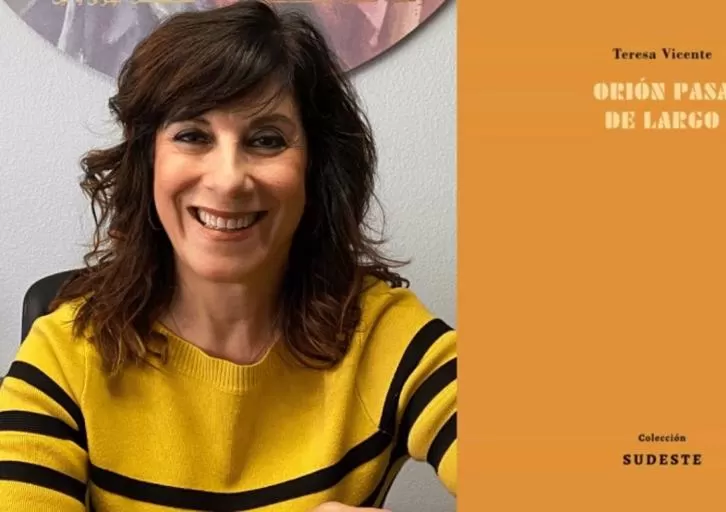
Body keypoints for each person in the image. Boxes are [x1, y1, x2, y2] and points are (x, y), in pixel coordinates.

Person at [0, 2, 457, 510]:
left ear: (315, 168)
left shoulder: (382, 334)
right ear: (147, 162)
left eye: (267, 140)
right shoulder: (65, 354)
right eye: (193, 136)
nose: (228, 180)